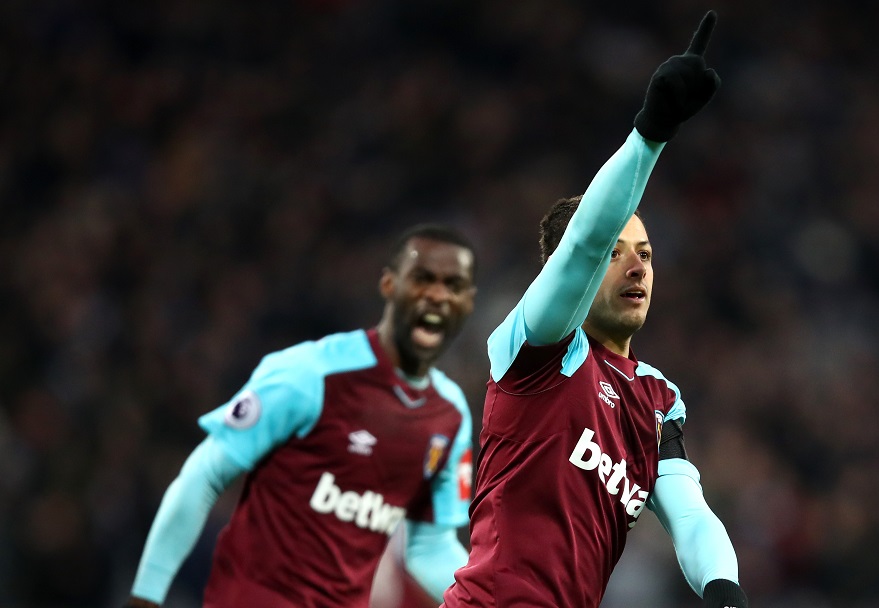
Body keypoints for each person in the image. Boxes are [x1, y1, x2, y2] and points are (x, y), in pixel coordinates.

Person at [442, 11, 749, 608]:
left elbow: (691, 516)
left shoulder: (658, 400)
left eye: (647, 254)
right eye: (617, 253)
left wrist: (724, 591)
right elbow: (584, 240)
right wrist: (651, 133)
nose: (638, 267)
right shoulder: (535, 348)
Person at [125, 224, 479, 607]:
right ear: (390, 285)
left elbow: (430, 547)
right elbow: (205, 475)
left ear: (469, 301)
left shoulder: (450, 416)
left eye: (453, 285)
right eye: (423, 279)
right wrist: (147, 594)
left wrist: (491, 600)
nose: (438, 296)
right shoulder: (309, 374)